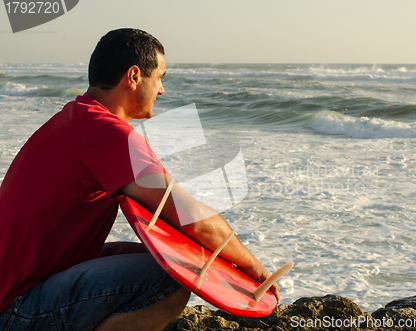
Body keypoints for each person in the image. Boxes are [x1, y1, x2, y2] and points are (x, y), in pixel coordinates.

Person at [0, 28, 279, 331]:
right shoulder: (107, 132)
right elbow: (192, 219)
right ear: (134, 77)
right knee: (171, 278)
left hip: (16, 289)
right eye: (160, 77)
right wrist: (251, 265)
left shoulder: (76, 118)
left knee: (156, 258)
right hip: (18, 308)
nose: (162, 90)